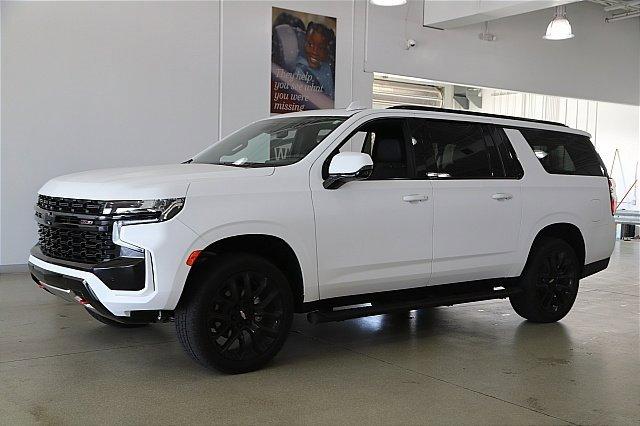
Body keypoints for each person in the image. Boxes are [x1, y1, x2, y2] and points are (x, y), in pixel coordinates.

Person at [293, 22, 335, 99]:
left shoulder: (328, 67)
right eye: (310, 44)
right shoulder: (300, 70)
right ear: (304, 43)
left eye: (321, 48)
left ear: (327, 50)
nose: (314, 52)